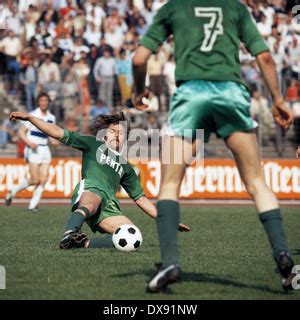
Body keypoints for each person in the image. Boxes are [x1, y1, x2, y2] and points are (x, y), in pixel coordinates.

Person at [132, 0, 295, 293]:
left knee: (169, 183)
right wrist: (278, 99)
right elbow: (265, 58)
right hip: (231, 93)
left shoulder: (172, 8)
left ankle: (170, 261)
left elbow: (139, 58)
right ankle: (283, 255)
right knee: (257, 182)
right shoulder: (234, 8)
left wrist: (138, 89)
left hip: (190, 95)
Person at [9, 111, 190, 249]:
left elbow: (141, 199)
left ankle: (82, 243)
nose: (117, 135)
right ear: (105, 134)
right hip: (91, 190)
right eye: (113, 131)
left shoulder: (127, 167)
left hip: (109, 206)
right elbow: (57, 132)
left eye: (121, 132)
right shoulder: (92, 143)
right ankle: (70, 232)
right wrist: (29, 118)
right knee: (93, 198)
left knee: (133, 235)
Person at [5, 92, 58, 212]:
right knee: (35, 179)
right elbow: (21, 132)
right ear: (38, 102)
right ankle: (13, 191)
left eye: (46, 100)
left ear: (48, 102)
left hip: (45, 148)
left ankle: (33, 205)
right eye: (42, 100)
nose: (44, 102)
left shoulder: (51, 117)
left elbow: (50, 132)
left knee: (44, 178)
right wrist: (29, 143)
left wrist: (54, 141)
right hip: (33, 149)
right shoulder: (33, 115)